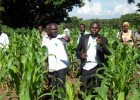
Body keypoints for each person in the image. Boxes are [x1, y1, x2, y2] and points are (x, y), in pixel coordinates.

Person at [76, 21, 111, 95]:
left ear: (99, 29)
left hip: (97, 68)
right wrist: (81, 55)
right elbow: (77, 51)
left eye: (96, 28)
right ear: (90, 28)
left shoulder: (103, 39)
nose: (94, 29)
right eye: (92, 28)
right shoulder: (84, 38)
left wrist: (102, 45)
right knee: (84, 89)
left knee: (96, 90)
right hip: (86, 67)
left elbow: (108, 53)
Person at [41, 23, 69, 98]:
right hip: (52, 66)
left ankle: (63, 98)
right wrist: (46, 64)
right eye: (52, 29)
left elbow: (67, 39)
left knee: (61, 83)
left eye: (56, 29)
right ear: (49, 31)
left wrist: (68, 38)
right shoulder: (45, 39)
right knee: (53, 85)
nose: (54, 31)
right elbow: (44, 52)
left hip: (62, 65)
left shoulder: (61, 37)